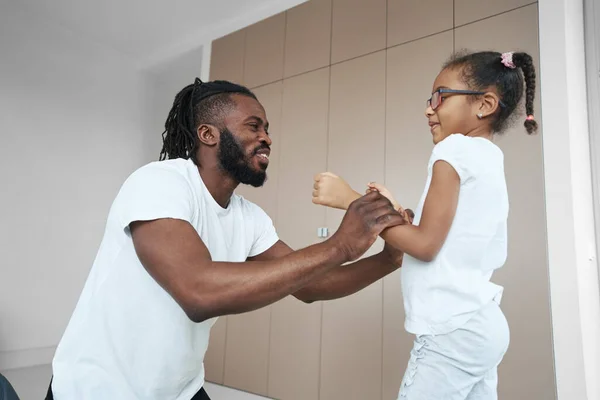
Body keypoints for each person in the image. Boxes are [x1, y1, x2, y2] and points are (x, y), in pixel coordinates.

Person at [47, 78, 411, 400]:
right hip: (97, 389)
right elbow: (198, 291)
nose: (267, 137)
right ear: (209, 134)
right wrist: (339, 245)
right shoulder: (160, 182)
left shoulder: (249, 217)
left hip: (181, 389)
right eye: (254, 126)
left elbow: (311, 285)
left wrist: (387, 260)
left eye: (267, 128)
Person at [312, 51, 538, 399]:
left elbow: (425, 245)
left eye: (441, 97)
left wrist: (352, 199)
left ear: (485, 104)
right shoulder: (489, 157)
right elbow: (447, 236)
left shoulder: (453, 151)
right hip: (481, 324)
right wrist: (392, 209)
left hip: (452, 329)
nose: (429, 109)